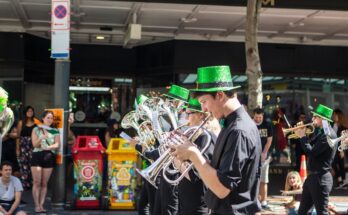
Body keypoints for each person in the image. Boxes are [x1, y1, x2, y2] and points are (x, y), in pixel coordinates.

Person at [170, 65, 261, 214]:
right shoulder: (231, 124)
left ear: (220, 95)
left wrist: (193, 153)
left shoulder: (238, 130)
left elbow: (222, 189)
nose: (204, 109)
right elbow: (217, 171)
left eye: (204, 101)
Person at [171, 98, 217, 215]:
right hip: (185, 201)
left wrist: (175, 156)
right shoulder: (192, 137)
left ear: (201, 115)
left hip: (197, 204)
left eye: (189, 114)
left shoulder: (206, 138)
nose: (186, 118)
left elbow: (194, 175)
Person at [294, 104, 337, 215]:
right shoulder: (321, 132)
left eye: (315, 117)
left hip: (320, 178)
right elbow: (310, 146)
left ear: (323, 119)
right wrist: (302, 132)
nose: (312, 119)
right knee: (302, 211)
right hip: (312, 177)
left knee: (321, 212)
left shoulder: (329, 135)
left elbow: (312, 152)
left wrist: (302, 136)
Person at [31, 110, 60, 213]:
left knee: (44, 183)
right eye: (48, 117)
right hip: (37, 155)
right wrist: (41, 138)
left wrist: (48, 147)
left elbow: (57, 144)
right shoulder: (36, 129)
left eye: (51, 118)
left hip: (49, 155)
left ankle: (42, 205)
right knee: (37, 182)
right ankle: (37, 205)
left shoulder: (54, 130)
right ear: (42, 118)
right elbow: (34, 144)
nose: (50, 120)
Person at [253, 108, 273, 211]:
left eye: (260, 117)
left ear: (263, 116)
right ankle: (254, 200)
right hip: (253, 156)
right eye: (256, 117)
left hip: (264, 156)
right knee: (253, 179)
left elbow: (269, 140)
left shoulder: (267, 124)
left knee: (264, 179)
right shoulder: (250, 124)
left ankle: (264, 200)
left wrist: (264, 152)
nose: (258, 119)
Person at [16, 106, 37, 190]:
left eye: (31, 111)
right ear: (25, 113)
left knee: (33, 164)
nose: (30, 112)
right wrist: (17, 149)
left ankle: (33, 183)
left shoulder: (36, 123)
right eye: (28, 111)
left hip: (33, 145)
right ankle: (25, 184)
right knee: (24, 165)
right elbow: (18, 137)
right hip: (23, 146)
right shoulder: (21, 123)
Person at [331, 109, 348, 189]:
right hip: (333, 148)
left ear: (339, 116)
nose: (333, 116)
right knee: (334, 164)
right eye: (333, 115)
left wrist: (342, 150)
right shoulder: (332, 125)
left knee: (341, 165)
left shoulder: (343, 127)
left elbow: (344, 138)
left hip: (341, 149)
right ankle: (340, 181)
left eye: (335, 115)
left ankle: (343, 181)